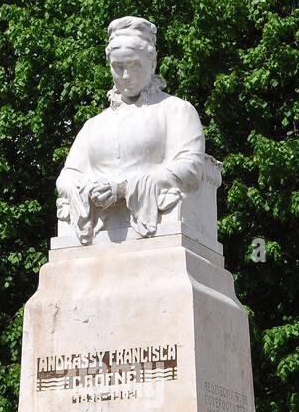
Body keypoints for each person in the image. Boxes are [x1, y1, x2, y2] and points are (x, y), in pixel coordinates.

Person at [55, 16, 205, 244]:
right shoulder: (94, 125)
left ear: (152, 63)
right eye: (118, 67)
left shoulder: (176, 110)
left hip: (159, 226)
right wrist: (86, 189)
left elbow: (190, 167)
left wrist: (123, 189)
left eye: (134, 65)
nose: (125, 76)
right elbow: (67, 176)